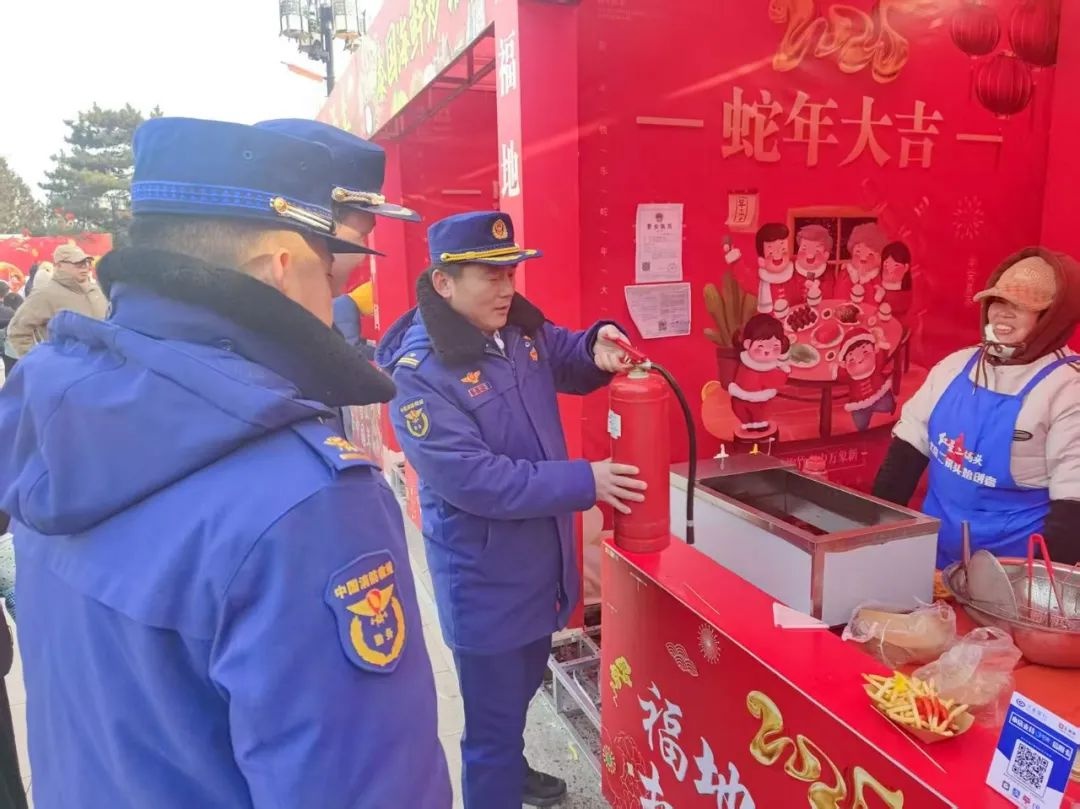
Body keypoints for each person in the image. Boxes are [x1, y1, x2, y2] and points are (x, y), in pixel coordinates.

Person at [0, 117, 451, 809]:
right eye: (329, 268)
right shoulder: (310, 501)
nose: (335, 297)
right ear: (280, 266)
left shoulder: (46, 399)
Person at [376, 211, 643, 809]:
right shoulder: (420, 375)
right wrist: (586, 480)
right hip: (485, 582)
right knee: (490, 733)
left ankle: (513, 768)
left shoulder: (517, 333)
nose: (506, 288)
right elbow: (475, 480)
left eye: (511, 274)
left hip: (540, 566)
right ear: (444, 282)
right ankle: (498, 779)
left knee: (517, 693)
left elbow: (567, 353)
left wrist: (598, 344)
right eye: (490, 276)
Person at [872, 248, 1080, 567]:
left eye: (1021, 306)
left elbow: (1072, 505)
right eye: (998, 302)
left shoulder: (1069, 388)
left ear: (1052, 318)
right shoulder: (956, 366)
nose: (1003, 314)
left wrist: (1039, 587)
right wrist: (873, 541)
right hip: (933, 560)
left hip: (1013, 573)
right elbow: (906, 452)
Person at [6, 245, 107, 358]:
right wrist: (39, 361)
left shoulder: (95, 290)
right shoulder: (45, 294)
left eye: (87, 262)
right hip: (68, 365)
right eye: (78, 263)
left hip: (104, 363)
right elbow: (17, 331)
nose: (84, 267)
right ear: (59, 265)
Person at [728, 313, 791, 433]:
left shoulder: (771, 366)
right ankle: (748, 423)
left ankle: (759, 423)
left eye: (775, 346)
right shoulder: (746, 363)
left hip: (761, 403)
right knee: (742, 409)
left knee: (761, 412)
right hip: (742, 400)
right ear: (748, 344)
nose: (767, 351)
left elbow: (776, 380)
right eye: (761, 346)